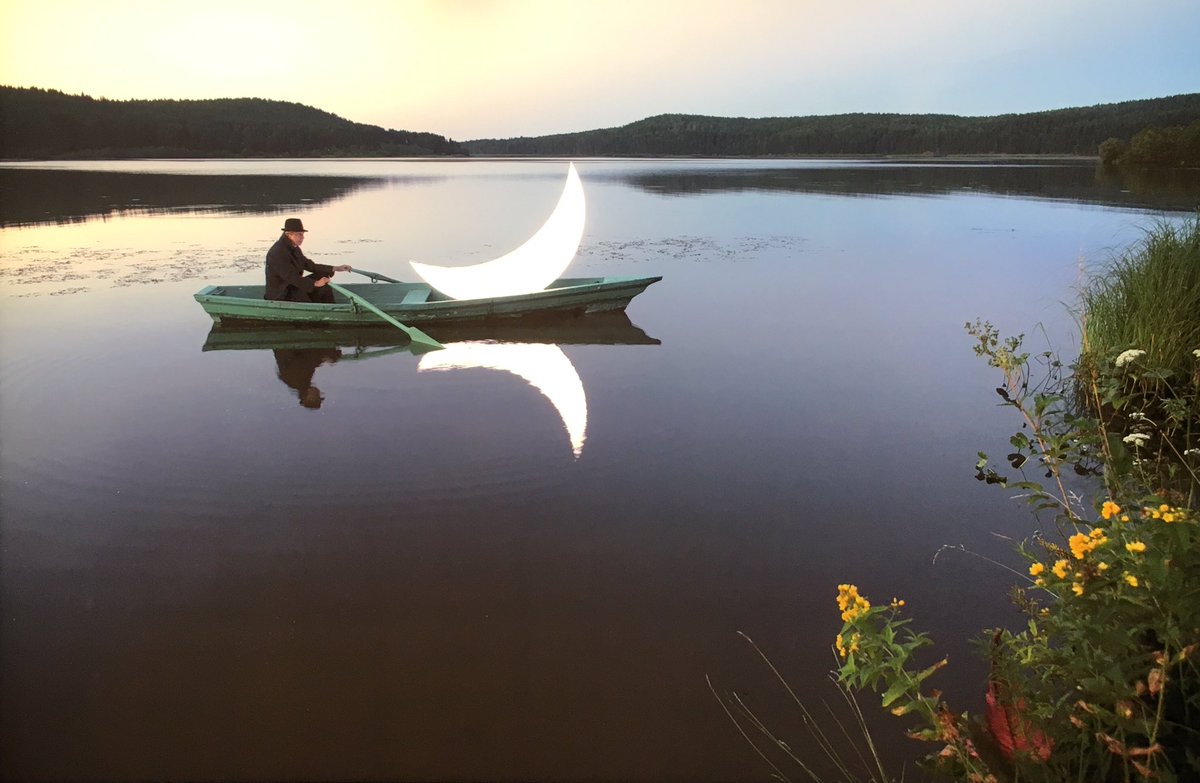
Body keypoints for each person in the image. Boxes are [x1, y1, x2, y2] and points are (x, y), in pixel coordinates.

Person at [264, 218, 352, 302]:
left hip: (292, 286)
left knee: (322, 275)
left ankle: (328, 306)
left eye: (302, 234)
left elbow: (309, 265)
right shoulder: (278, 252)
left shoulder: (294, 248)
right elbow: (290, 277)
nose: (302, 238)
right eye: (299, 234)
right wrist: (315, 283)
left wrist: (336, 268)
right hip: (281, 294)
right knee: (313, 287)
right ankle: (321, 308)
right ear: (288, 234)